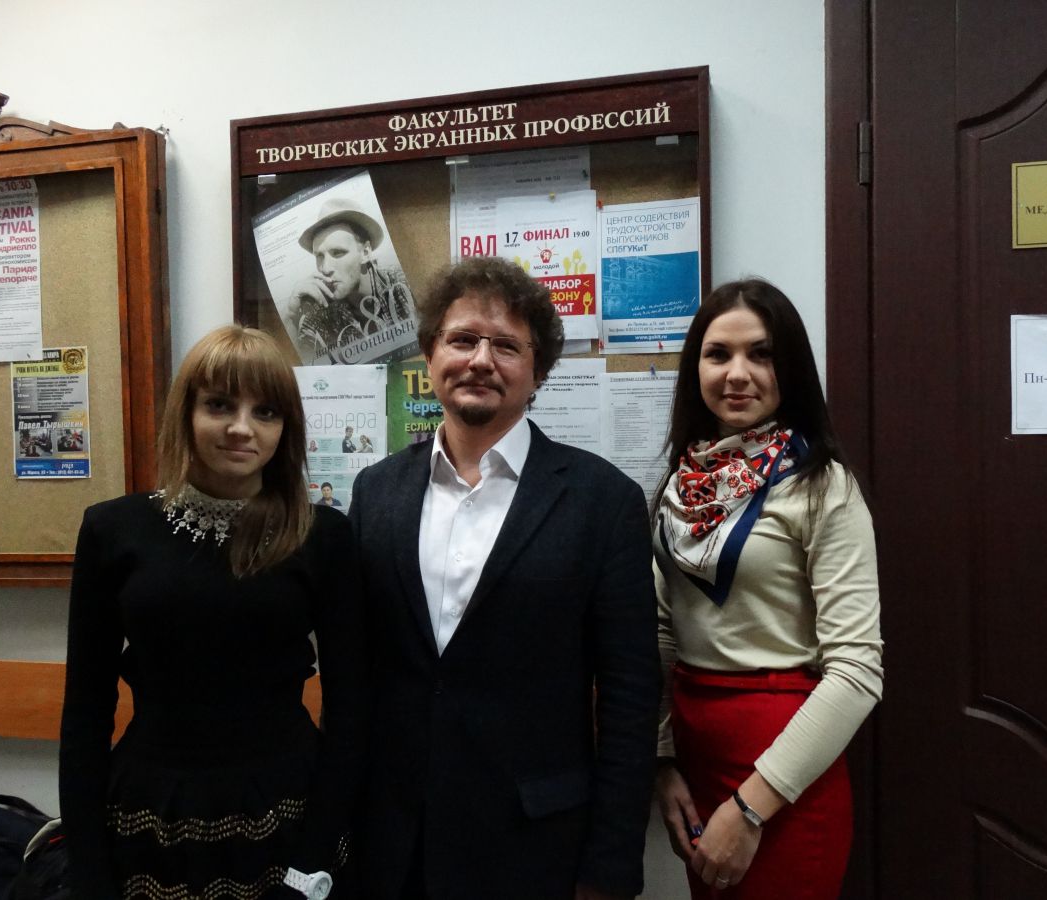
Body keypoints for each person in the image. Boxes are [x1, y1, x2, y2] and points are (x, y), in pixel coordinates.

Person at [348, 257, 660, 900]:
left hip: (533, 848)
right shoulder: (375, 492)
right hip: (392, 846)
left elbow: (630, 697)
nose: (481, 360)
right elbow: (359, 673)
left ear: (538, 371)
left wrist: (609, 867)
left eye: (507, 346)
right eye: (463, 339)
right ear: (430, 354)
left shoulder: (603, 502)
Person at [59, 325, 369, 900]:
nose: (241, 428)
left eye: (266, 411)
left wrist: (312, 861)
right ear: (187, 412)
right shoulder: (112, 530)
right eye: (220, 404)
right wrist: (89, 870)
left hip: (288, 812)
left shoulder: (322, 535)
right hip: (150, 812)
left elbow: (351, 712)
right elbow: (84, 713)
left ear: (286, 428)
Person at [653, 279, 883, 899]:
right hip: (695, 761)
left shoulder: (823, 486)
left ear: (792, 368)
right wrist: (663, 759)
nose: (738, 373)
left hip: (784, 775)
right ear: (695, 367)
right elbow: (663, 631)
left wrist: (751, 807)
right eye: (718, 354)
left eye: (762, 354)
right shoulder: (682, 486)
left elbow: (857, 671)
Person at [285, 197, 413, 359]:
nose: (325, 268)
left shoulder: (402, 282)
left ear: (365, 252)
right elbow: (307, 360)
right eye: (319, 256)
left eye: (338, 253)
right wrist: (292, 316)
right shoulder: (321, 311)